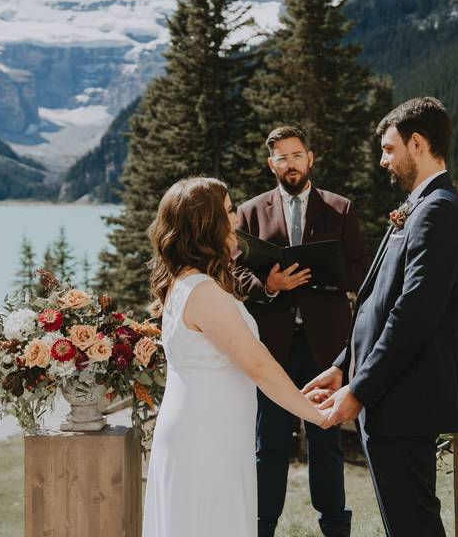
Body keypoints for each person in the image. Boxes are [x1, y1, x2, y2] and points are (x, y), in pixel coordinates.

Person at [303, 98, 458, 537]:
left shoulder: (437, 210)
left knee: (413, 524)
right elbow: (378, 303)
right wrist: (344, 365)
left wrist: (360, 389)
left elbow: (413, 314)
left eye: (388, 149)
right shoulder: (420, 206)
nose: (384, 161)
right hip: (393, 397)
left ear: (416, 143)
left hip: (406, 399)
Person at [141, 177, 333, 537]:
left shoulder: (186, 282)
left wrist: (300, 397)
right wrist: (317, 416)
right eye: (228, 211)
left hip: (208, 429)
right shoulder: (203, 292)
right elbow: (256, 364)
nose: (236, 219)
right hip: (206, 438)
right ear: (207, 223)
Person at [234, 126, 368, 537]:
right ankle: (262, 527)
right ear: (270, 163)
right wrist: (268, 286)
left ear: (310, 158)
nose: (290, 164)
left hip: (325, 347)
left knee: (325, 440)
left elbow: (362, 271)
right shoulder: (250, 211)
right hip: (271, 349)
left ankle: (334, 527)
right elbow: (234, 273)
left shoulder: (340, 209)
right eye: (281, 157)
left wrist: (325, 277)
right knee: (269, 442)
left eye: (296, 155)